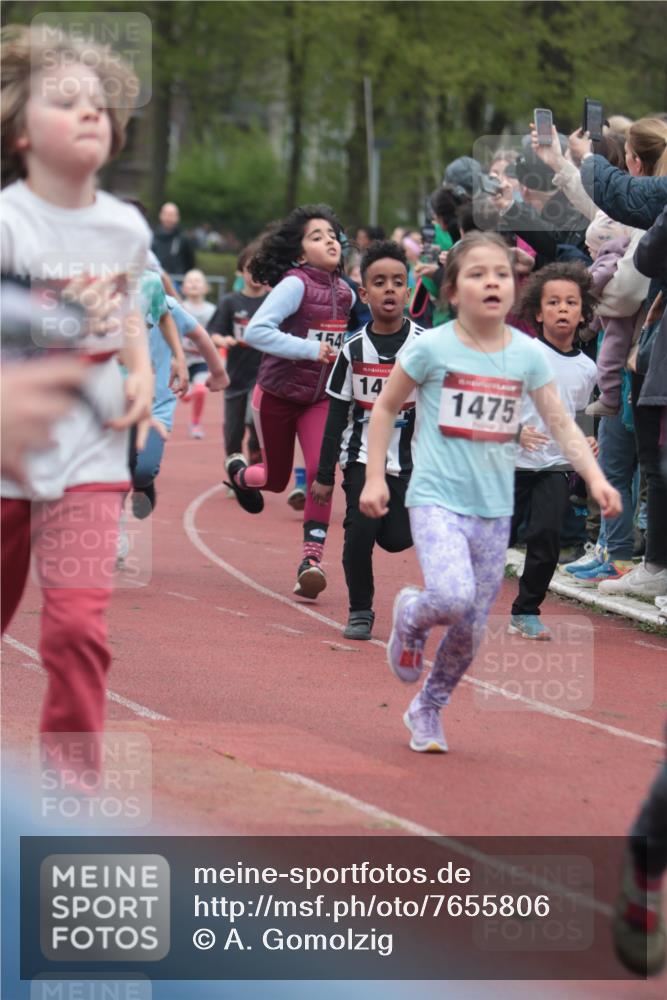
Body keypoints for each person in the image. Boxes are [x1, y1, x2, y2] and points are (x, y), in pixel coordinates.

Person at [359, 232, 621, 753]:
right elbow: (386, 406)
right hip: (436, 496)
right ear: (454, 290)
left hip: (493, 510)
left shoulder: (526, 356)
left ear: (514, 287)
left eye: (501, 273)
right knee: (451, 596)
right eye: (477, 274)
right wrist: (373, 476)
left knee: (471, 629)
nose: (492, 282)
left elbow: (561, 423)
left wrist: (595, 478)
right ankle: (411, 616)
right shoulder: (430, 348)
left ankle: (428, 707)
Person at [0, 25, 153, 775]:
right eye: (64, 102)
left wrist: (140, 371)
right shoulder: (8, 223)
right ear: (21, 133)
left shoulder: (125, 227)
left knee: (76, 631)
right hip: (7, 454)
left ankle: (70, 794)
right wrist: (56, 316)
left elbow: (126, 310)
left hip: (91, 457)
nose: (89, 111)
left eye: (98, 103)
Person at [224, 204, 352, 599]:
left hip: (319, 399)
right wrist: (310, 350)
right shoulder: (295, 284)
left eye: (332, 235)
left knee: (320, 472)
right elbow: (257, 332)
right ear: (299, 253)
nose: (329, 241)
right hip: (277, 396)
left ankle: (311, 562)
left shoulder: (346, 292)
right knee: (275, 480)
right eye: (316, 236)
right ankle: (239, 473)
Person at [312, 241, 423, 641]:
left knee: (395, 539)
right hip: (361, 457)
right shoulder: (353, 349)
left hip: (412, 462)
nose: (389, 288)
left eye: (397, 281)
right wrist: (325, 474)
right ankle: (360, 610)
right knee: (359, 534)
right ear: (364, 293)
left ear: (408, 291)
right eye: (379, 282)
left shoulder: (425, 346)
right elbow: (336, 413)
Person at [508, 263, 598, 639]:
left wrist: (587, 440)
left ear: (583, 313)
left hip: (555, 465)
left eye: (571, 303)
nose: (563, 309)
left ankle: (526, 611)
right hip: (509, 463)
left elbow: (582, 414)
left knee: (546, 537)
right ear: (538, 312)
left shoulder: (588, 368)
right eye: (554, 302)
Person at [209, 243, 269, 467]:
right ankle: (235, 472)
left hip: (264, 376)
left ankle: (256, 458)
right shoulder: (230, 302)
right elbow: (213, 333)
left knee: (255, 420)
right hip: (235, 377)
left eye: (262, 268)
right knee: (233, 432)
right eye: (251, 268)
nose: (256, 274)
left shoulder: (274, 301)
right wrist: (222, 340)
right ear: (240, 272)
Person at [180, 268, 217, 438]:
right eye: (189, 281)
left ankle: (195, 423)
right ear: (183, 288)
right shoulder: (179, 307)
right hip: (180, 359)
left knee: (200, 390)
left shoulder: (212, 310)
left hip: (201, 359)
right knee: (183, 393)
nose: (194, 284)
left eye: (198, 280)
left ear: (206, 288)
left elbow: (216, 332)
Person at [151, 201, 196, 278]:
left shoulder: (184, 239)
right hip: (156, 279)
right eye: (166, 214)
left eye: (172, 215)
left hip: (177, 280)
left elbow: (190, 263)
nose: (168, 218)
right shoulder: (152, 237)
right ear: (160, 215)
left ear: (177, 217)